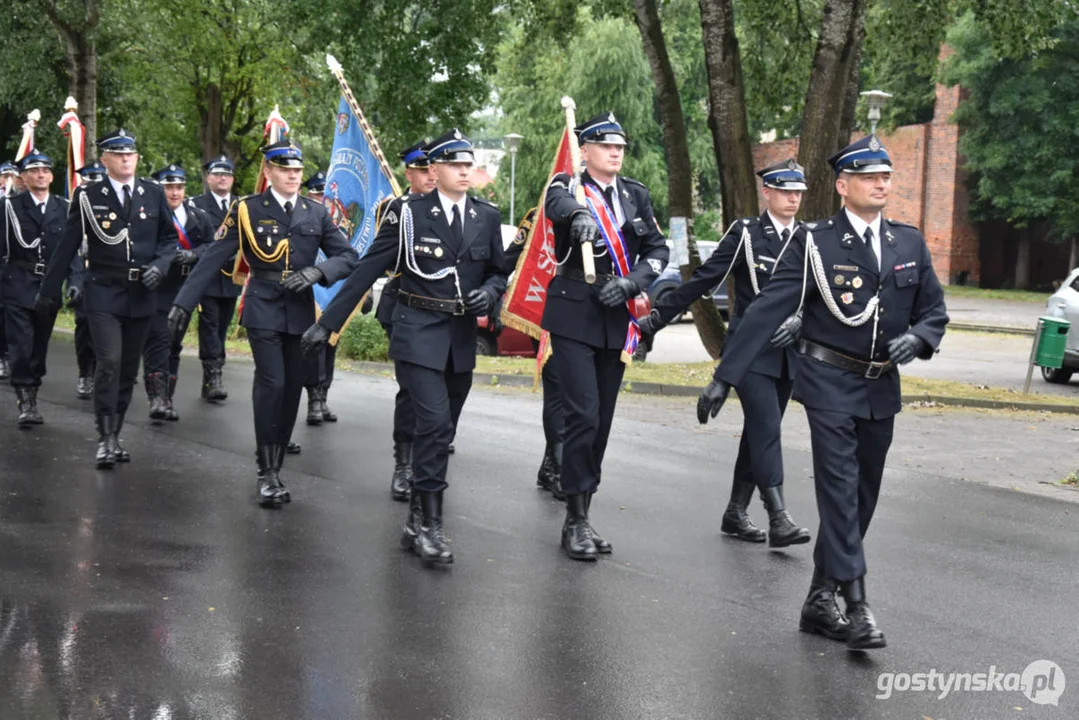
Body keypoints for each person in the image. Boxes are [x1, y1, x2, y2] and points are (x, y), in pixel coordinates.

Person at [695, 135, 948, 649]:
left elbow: (934, 312)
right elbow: (765, 309)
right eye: (870, 176)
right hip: (828, 382)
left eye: (886, 176)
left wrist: (919, 339)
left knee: (862, 498)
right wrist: (726, 375)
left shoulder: (908, 242)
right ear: (842, 185)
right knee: (838, 490)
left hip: (881, 386)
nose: (882, 184)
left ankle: (818, 597)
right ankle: (856, 606)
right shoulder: (815, 242)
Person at [302, 129, 507, 564]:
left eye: (468, 164)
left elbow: (497, 271)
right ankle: (432, 526)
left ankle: (415, 516)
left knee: (444, 429)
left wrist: (490, 294)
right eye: (455, 164)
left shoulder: (486, 216)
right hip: (417, 332)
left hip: (460, 338)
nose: (465, 170)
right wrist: (329, 325)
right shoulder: (407, 215)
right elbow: (365, 269)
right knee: (432, 424)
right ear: (434, 170)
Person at [168, 139, 359, 508]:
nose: (293, 176)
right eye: (285, 169)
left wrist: (318, 271)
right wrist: (183, 303)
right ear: (268, 172)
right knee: (271, 382)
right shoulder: (247, 209)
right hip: (263, 307)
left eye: (298, 170)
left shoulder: (315, 212)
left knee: (291, 388)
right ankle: (267, 472)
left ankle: (277, 460)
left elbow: (347, 257)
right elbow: (213, 257)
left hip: (300, 311)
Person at [639, 159, 811, 547]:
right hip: (749, 353)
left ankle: (735, 512)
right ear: (767, 191)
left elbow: (817, 295)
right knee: (767, 427)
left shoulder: (809, 237)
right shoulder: (748, 234)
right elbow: (704, 279)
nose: (793, 198)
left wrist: (802, 321)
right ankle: (778, 516)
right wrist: (658, 317)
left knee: (758, 433)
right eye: (785, 190)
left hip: (787, 353)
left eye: (798, 192)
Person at [540, 112, 669, 561]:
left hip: (617, 316)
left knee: (603, 423)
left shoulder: (635, 195)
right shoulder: (568, 186)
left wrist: (634, 283)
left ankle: (584, 513)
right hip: (575, 311)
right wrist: (578, 215)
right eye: (606, 145)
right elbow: (554, 205)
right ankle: (573, 521)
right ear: (586, 150)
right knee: (583, 415)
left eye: (620, 146)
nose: (615, 152)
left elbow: (658, 249)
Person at [38, 129, 177, 469]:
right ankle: (105, 437)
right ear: (105, 159)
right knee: (110, 362)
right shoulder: (88, 195)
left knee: (128, 368)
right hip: (103, 291)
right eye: (118, 153)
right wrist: (48, 291)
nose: (126, 158)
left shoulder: (153, 193)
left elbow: (169, 240)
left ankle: (116, 431)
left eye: (130, 153)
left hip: (142, 294)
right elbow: (67, 245)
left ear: (137, 158)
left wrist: (160, 265)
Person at [374, 141, 438, 501]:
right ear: (408, 173)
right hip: (404, 306)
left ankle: (431, 452)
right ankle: (404, 464)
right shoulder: (396, 208)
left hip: (443, 313)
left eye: (434, 168)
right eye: (422, 170)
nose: (430, 175)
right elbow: (385, 262)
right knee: (412, 389)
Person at [500, 207, 566, 499]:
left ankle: (550, 465)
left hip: (589, 318)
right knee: (559, 391)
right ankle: (560, 469)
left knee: (574, 397)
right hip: (544, 315)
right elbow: (509, 259)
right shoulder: (538, 215)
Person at [141, 164, 215, 422]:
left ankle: (167, 398)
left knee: (174, 342)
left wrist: (194, 254)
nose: (174, 193)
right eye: (169, 187)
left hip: (185, 289)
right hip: (157, 287)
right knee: (158, 339)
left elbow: (212, 246)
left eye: (179, 187)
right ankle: (157, 398)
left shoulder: (199, 217)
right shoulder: (148, 216)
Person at [0, 151, 69, 426]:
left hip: (49, 286)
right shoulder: (9, 207)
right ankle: (26, 400)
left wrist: (75, 282)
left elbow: (70, 250)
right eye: (34, 171)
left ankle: (33, 383)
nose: (40, 175)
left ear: (51, 176)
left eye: (45, 171)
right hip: (16, 283)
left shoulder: (63, 207)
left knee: (39, 345)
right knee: (21, 344)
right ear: (24, 177)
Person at [190, 155, 240, 402]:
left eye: (227, 174)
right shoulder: (196, 205)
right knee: (209, 325)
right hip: (207, 277)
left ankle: (211, 374)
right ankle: (214, 376)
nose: (223, 178)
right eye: (218, 174)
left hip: (231, 277)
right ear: (209, 178)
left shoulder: (241, 205)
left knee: (221, 327)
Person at [300, 169, 339, 426]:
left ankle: (323, 396)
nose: (320, 197)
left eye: (324, 193)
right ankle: (313, 399)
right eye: (315, 192)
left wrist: (364, 292)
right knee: (311, 348)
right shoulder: (300, 217)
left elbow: (354, 256)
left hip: (334, 292)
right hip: (307, 293)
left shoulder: (339, 224)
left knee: (330, 346)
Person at [70, 160, 106, 399]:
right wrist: (73, 282)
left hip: (110, 279)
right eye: (89, 180)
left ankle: (111, 372)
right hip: (84, 277)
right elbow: (70, 250)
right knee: (85, 329)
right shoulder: (76, 209)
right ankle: (86, 373)